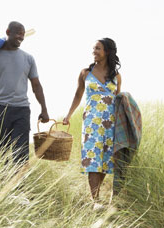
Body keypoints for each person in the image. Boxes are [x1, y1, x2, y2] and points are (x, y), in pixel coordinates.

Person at [0, 21, 49, 164]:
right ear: (8, 32)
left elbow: (36, 85)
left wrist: (44, 109)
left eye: (23, 34)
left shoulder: (28, 58)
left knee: (20, 153)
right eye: (18, 33)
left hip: (22, 110)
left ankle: (18, 186)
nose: (21, 37)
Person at [63, 38, 121, 208]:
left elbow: (119, 99)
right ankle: (94, 200)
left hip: (110, 123)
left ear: (107, 52)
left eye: (98, 48)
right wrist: (68, 115)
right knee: (92, 159)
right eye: (93, 48)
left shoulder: (116, 76)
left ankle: (96, 196)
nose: (94, 51)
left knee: (105, 161)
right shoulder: (85, 73)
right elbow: (77, 95)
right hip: (91, 123)